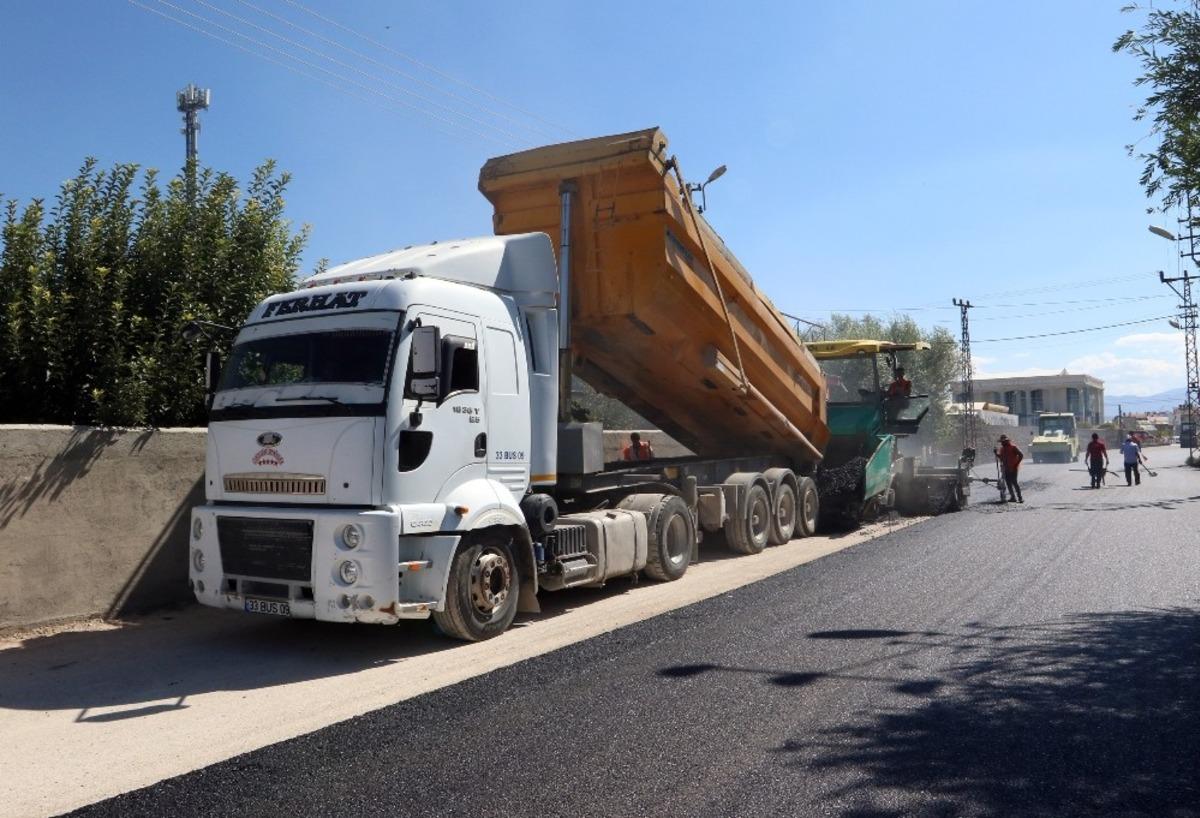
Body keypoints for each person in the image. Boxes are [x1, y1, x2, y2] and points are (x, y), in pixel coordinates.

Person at [994, 434, 1024, 503]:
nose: (1002, 443)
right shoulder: (1002, 449)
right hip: (1006, 469)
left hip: (1013, 468)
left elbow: (1021, 455)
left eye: (1003, 441)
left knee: (1014, 482)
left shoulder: (1013, 447)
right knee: (1008, 483)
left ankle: (1020, 498)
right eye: (1001, 442)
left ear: (1007, 441)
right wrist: (996, 453)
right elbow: (1001, 458)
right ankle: (1013, 497)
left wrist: (1016, 464)